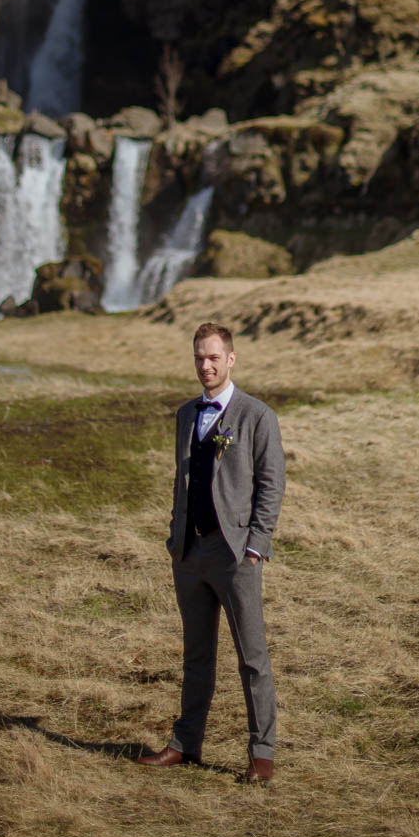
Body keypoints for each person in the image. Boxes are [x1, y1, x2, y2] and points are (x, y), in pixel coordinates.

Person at [138, 321, 285, 785]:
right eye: (200, 358)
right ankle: (186, 744)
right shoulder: (186, 414)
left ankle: (262, 755)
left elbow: (272, 484)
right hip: (189, 554)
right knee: (196, 655)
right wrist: (174, 539)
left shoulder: (257, 416)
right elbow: (181, 481)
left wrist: (255, 547)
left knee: (252, 658)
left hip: (235, 555)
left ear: (231, 359)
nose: (206, 365)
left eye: (214, 357)